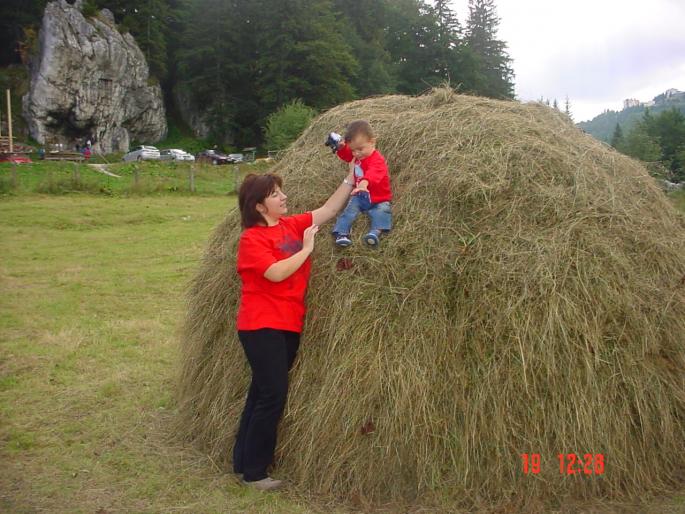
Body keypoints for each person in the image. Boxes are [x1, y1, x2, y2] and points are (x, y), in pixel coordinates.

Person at [232, 169, 355, 491]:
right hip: (260, 325)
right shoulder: (252, 239)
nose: (283, 197)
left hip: (288, 322)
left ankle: (242, 463)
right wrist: (306, 250)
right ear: (259, 206)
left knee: (260, 392)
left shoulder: (290, 224)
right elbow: (274, 273)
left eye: (280, 191)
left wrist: (351, 178)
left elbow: (328, 210)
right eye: (275, 194)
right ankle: (256, 474)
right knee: (273, 395)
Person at [328, 120, 393, 247]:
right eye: (353, 150)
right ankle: (341, 233)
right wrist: (341, 147)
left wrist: (363, 184)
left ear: (372, 141)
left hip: (379, 197)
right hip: (360, 195)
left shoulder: (377, 160)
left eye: (360, 149)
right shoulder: (358, 155)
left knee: (382, 211)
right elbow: (347, 155)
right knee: (349, 210)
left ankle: (375, 232)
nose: (356, 153)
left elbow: (373, 173)